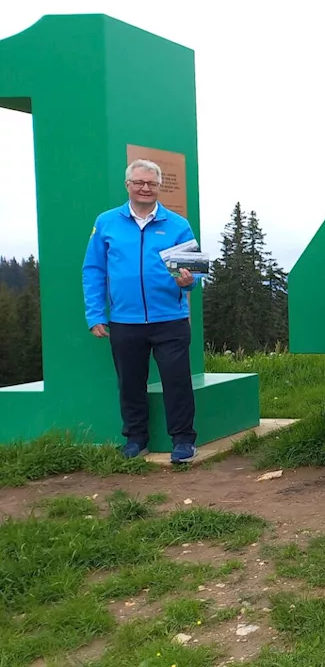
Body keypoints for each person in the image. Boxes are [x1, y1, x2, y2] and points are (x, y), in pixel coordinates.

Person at [83, 158, 202, 463]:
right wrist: (96, 314)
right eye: (139, 182)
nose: (145, 188)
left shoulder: (178, 225)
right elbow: (94, 269)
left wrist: (189, 282)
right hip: (124, 320)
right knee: (130, 383)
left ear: (159, 186)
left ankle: (183, 440)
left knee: (177, 382)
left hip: (170, 320)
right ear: (128, 186)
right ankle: (136, 439)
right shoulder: (107, 222)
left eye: (151, 183)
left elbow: (195, 273)